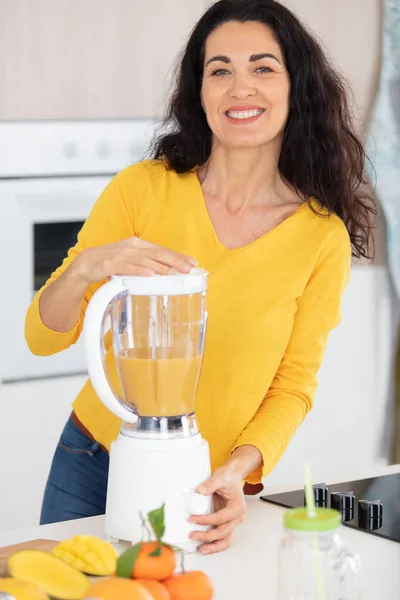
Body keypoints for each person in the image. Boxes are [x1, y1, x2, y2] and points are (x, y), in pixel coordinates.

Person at [25, 0, 376, 554]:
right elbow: (41, 339)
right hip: (94, 459)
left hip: (206, 483)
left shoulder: (319, 237)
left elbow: (293, 386)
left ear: (296, 86)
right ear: (200, 91)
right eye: (221, 70)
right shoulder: (143, 190)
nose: (241, 88)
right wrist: (89, 268)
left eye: (263, 67)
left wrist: (238, 472)